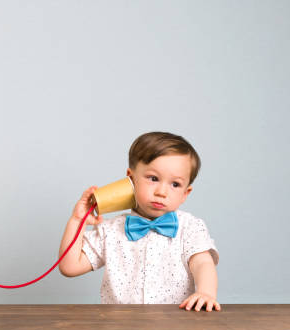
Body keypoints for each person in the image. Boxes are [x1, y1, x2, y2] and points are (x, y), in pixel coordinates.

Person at [58, 132, 220, 311]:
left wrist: (206, 292)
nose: (161, 192)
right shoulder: (110, 231)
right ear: (131, 179)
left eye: (175, 184)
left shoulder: (190, 227)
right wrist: (77, 221)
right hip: (118, 327)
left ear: (185, 194)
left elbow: (203, 263)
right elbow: (70, 267)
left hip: (175, 326)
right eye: (153, 179)